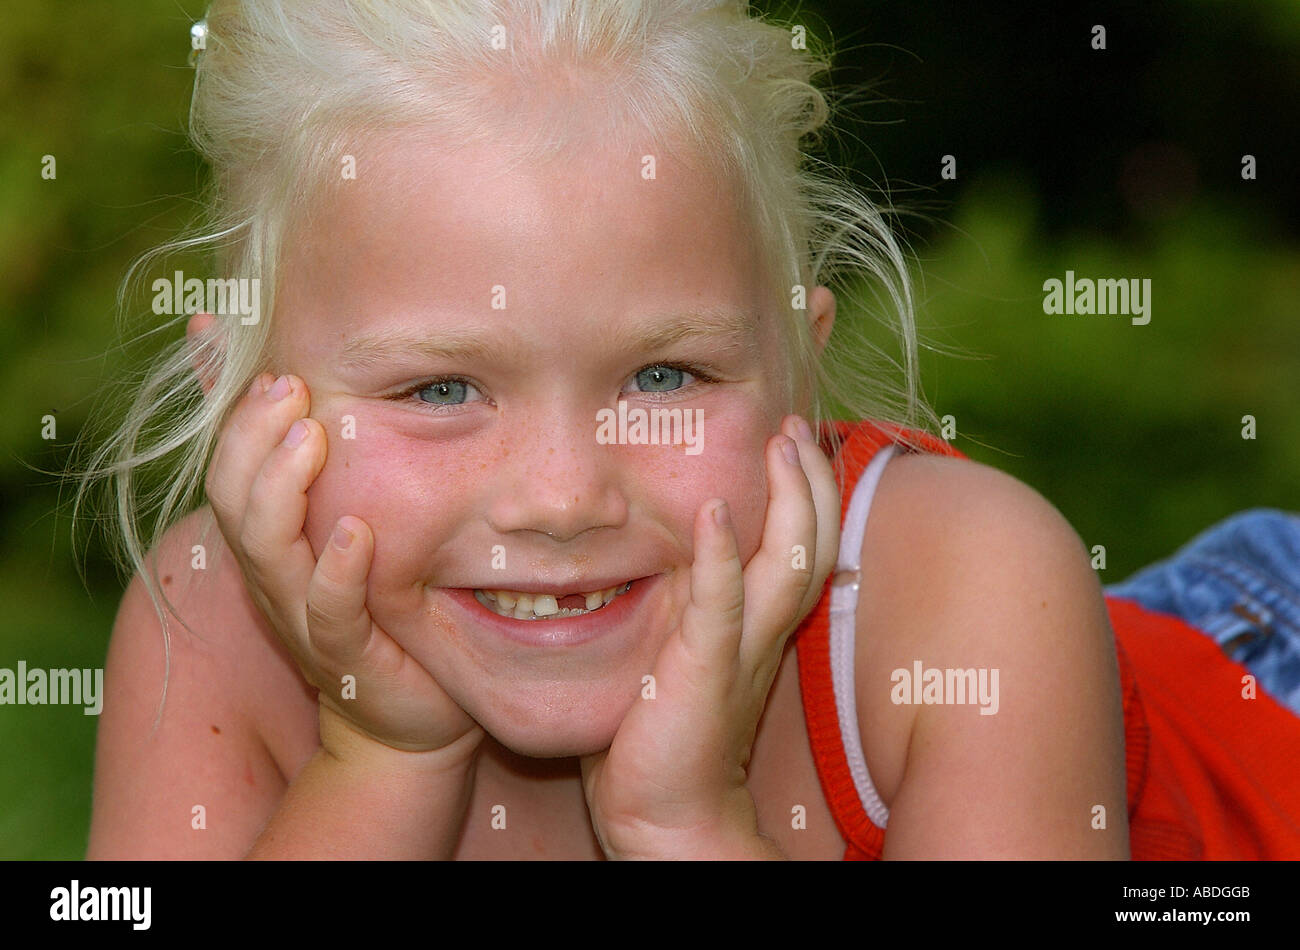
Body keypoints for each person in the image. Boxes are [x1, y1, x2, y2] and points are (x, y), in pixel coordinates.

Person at [79, 0, 1300, 859]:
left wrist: (689, 826)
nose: (559, 496)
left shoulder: (967, 597)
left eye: (664, 374)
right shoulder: (210, 622)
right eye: (440, 389)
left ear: (799, 363)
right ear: (242, 390)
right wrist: (377, 760)